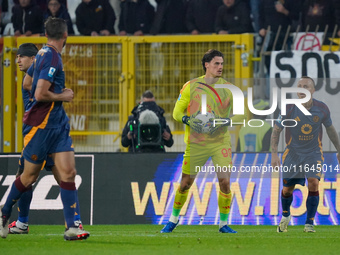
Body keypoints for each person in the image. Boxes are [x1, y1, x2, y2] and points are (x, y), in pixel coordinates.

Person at [0, 17, 89, 241]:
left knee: (68, 173)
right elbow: (39, 93)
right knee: (28, 177)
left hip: (57, 124)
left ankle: (73, 227)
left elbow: (28, 85)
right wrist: (63, 96)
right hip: (40, 126)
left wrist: (51, 103)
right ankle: (3, 213)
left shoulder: (42, 54)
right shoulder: (50, 57)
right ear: (66, 35)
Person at [160, 49, 246, 234]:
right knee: (185, 183)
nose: (220, 67)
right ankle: (173, 220)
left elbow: (242, 114)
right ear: (206, 64)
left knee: (224, 182)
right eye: (216, 63)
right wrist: (189, 120)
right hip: (197, 143)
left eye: (222, 64)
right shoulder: (191, 86)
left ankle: (223, 224)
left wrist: (225, 121)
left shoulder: (230, 89)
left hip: (220, 142)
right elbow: (176, 113)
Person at [271, 76, 340, 233]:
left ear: (313, 90)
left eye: (306, 86)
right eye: (299, 86)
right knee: (287, 190)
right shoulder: (288, 108)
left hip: (313, 152)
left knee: (313, 183)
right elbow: (276, 131)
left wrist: (339, 150)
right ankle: (286, 215)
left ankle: (309, 223)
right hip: (292, 153)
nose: (302, 90)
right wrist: (274, 155)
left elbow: (330, 129)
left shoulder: (322, 108)